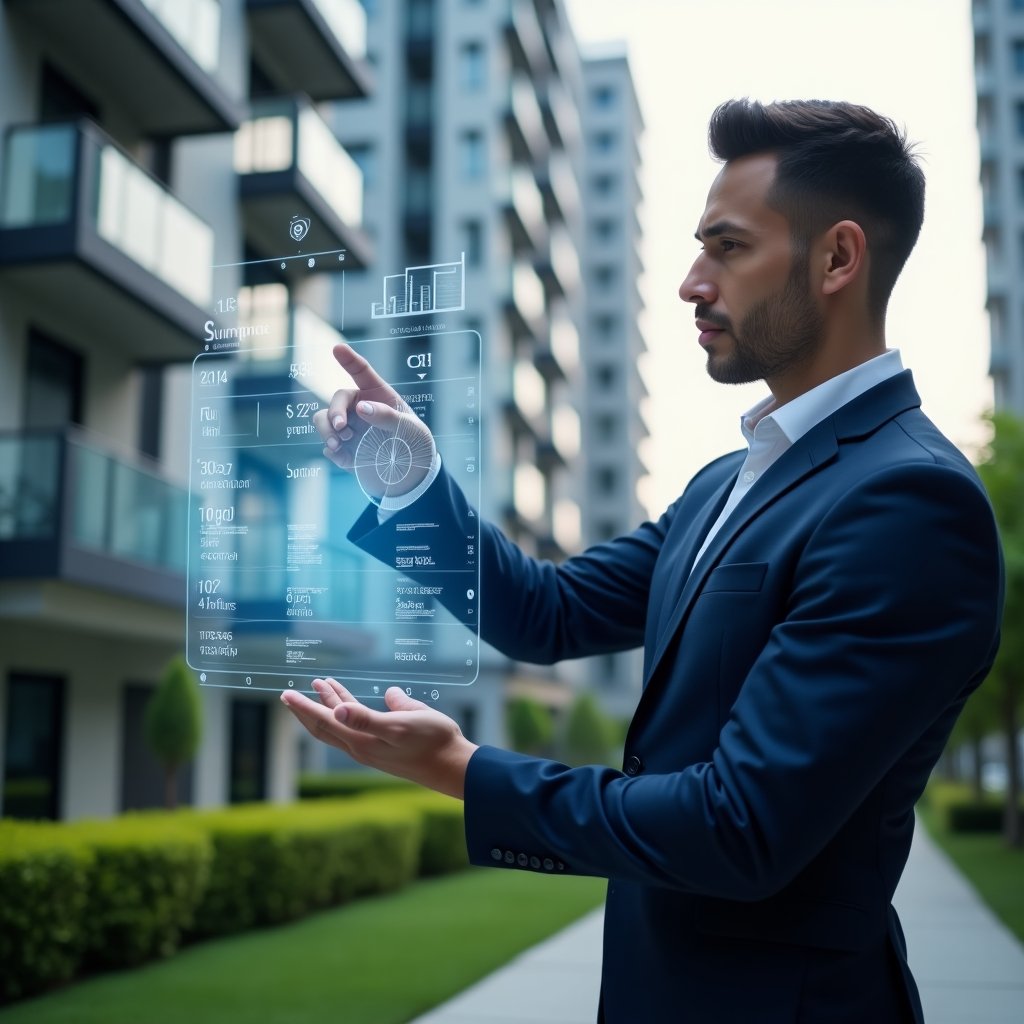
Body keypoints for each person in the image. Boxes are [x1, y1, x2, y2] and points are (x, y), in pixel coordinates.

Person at [281, 99, 1004, 1023]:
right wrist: (414, 482)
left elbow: (739, 828)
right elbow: (545, 613)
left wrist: (466, 769)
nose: (692, 283)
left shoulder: (911, 502)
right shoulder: (723, 484)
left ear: (837, 259)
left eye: (728, 249)